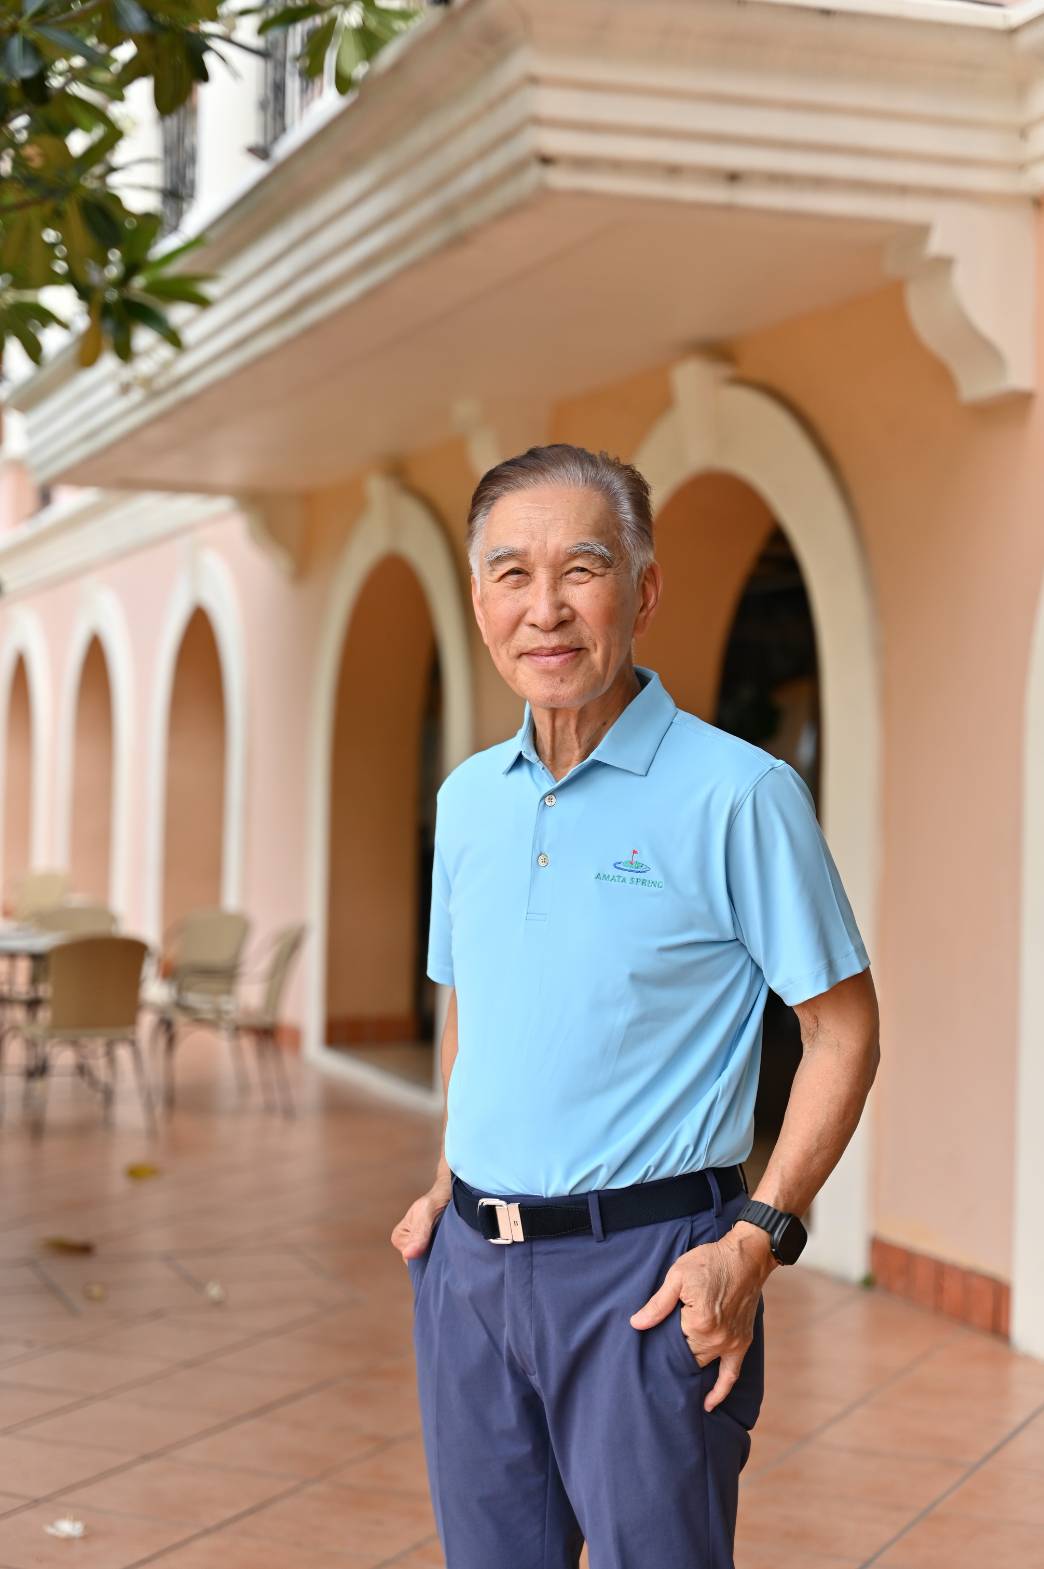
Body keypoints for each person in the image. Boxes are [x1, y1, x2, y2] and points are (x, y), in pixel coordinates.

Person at [390, 443, 880, 1569]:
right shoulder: (466, 802)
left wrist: (755, 1243)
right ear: (480, 600)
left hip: (650, 1277)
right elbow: (474, 1007)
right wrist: (447, 1179)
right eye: (512, 574)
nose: (546, 609)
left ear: (645, 591)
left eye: (583, 568)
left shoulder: (740, 794)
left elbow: (844, 1030)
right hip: (471, 1275)